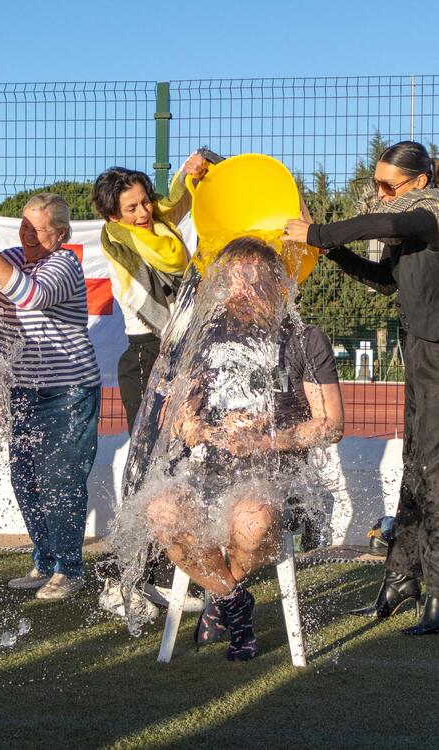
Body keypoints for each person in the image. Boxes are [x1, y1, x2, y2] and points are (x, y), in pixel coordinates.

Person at [144, 237, 344, 660]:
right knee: (160, 511)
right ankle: (234, 598)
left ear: (278, 286)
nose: (242, 293)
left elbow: (331, 425)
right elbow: (175, 418)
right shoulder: (203, 337)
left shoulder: (305, 340)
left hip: (275, 477)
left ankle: (220, 594)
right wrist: (198, 428)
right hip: (208, 472)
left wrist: (269, 439)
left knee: (251, 519)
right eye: (233, 283)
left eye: (254, 283)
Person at [284, 140, 439, 635]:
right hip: (420, 350)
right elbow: (383, 280)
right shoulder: (409, 225)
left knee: (434, 470)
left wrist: (320, 230)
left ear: (420, 181)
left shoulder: (429, 214)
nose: (378, 193)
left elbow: (387, 223)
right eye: (376, 182)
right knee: (416, 464)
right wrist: (329, 249)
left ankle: (435, 588)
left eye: (387, 184)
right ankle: (401, 577)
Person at [0, 193, 101, 600]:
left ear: (59, 234)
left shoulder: (65, 264)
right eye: (24, 225)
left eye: (36, 228)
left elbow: (31, 296)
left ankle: (70, 570)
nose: (26, 233)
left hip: (68, 392)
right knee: (26, 480)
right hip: (22, 391)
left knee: (61, 481)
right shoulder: (9, 256)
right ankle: (45, 561)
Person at [91, 150, 221, 433]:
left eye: (146, 202)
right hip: (146, 352)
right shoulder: (117, 238)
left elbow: (177, 199)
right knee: (145, 445)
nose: (143, 213)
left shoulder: (160, 225)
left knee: (191, 437)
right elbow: (171, 259)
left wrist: (191, 169)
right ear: (113, 216)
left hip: (185, 342)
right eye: (132, 208)